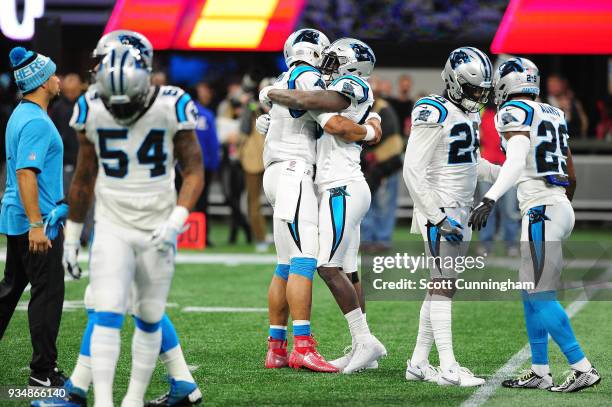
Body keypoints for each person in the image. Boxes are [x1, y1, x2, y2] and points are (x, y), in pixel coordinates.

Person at [64, 44, 204, 406]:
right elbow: (82, 177)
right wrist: (72, 237)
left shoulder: (171, 104)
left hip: (158, 223)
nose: (120, 107)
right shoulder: (91, 105)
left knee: (149, 315)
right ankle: (101, 399)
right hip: (112, 221)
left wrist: (176, 219)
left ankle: (132, 399)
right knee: (106, 308)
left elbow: (194, 171)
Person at [470, 57, 601, 392]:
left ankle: (581, 366)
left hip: (542, 211)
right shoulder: (553, 112)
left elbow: (516, 161)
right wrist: (558, 202)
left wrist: (490, 197)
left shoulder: (513, 112)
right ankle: (541, 371)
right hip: (556, 205)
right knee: (530, 292)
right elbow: (564, 171)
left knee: (540, 294)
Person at [257, 28, 380, 373]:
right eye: (325, 56)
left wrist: (269, 107)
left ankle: (277, 347)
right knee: (307, 260)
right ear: (315, 53)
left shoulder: (287, 76)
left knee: (286, 263)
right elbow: (329, 120)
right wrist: (369, 128)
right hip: (296, 172)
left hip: (283, 172)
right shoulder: (308, 76)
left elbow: (292, 110)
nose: (327, 66)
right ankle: (302, 347)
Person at [403, 47, 500, 387]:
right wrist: (437, 216)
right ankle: (447, 368)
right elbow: (412, 171)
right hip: (440, 209)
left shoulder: (468, 115)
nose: (478, 96)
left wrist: (508, 175)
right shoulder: (433, 110)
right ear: (455, 82)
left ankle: (417, 363)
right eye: (473, 89)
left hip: (460, 209)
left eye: (482, 90)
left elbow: (473, 165)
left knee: (442, 286)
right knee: (443, 286)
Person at [0, 46, 67, 387]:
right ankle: (43, 372)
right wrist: (37, 225)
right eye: (53, 74)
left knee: (10, 290)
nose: (58, 78)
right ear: (41, 82)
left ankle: (44, 368)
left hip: (19, 217)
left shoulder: (20, 114)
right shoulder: (36, 122)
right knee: (48, 292)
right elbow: (27, 173)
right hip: (37, 222)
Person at [360, 77, 404, 252]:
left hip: (387, 164)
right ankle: (368, 239)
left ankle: (382, 239)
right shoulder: (364, 110)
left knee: (383, 204)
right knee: (368, 202)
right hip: (371, 166)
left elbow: (379, 137)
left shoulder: (382, 109)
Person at [476, 103, 520, 256]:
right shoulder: (480, 112)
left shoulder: (512, 112)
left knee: (509, 208)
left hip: (508, 166)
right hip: (486, 165)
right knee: (486, 207)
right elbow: (476, 135)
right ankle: (485, 244)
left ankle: (511, 243)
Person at [238, 79, 270, 252]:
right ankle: (260, 236)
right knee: (254, 201)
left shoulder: (271, 106)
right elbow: (244, 128)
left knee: (282, 201)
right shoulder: (251, 107)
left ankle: (269, 236)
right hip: (255, 158)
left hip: (273, 156)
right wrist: (248, 106)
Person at [194, 81, 220, 247]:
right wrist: (214, 164)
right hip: (203, 166)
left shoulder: (183, 112)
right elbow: (213, 142)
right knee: (202, 201)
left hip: (183, 165)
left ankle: (187, 235)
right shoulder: (207, 115)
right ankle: (201, 236)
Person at [49, 73, 83, 194]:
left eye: (73, 91)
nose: (70, 94)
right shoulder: (58, 107)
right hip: (65, 157)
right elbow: (53, 131)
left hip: (82, 154)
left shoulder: (84, 105)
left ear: (79, 89)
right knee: (65, 191)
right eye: (68, 91)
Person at [546, 74, 589, 138]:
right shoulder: (542, 102)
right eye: (550, 85)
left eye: (555, 84)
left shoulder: (574, 103)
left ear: (563, 85)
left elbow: (584, 122)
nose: (552, 87)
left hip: (575, 139)